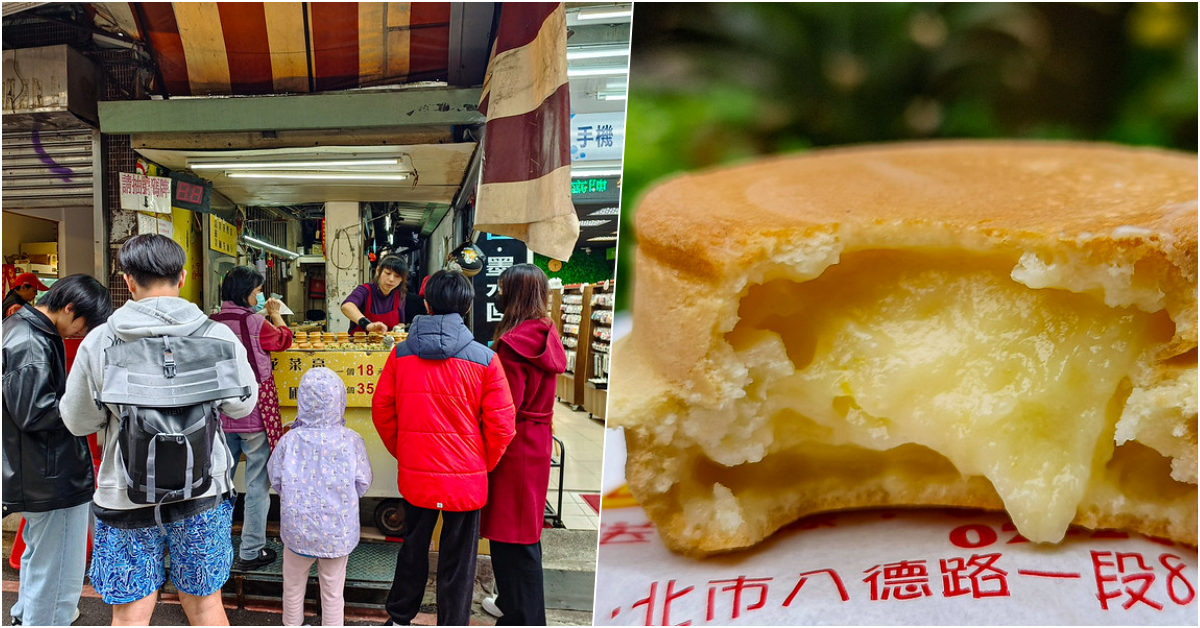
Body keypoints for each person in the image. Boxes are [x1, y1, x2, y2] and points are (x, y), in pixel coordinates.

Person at [61, 234, 258, 626]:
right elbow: (242, 404)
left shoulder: (100, 341)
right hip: (203, 490)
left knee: (131, 613)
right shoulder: (217, 336)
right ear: (182, 277)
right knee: (205, 605)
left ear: (128, 281)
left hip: (126, 496)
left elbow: (78, 420)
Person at [371, 269, 517, 626]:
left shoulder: (401, 354)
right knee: (458, 559)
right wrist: (481, 464)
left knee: (412, 548)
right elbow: (502, 426)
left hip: (417, 475)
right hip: (467, 479)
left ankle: (398, 618)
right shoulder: (485, 359)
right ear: (467, 307)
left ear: (425, 303)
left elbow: (382, 412)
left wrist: (407, 453)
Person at [3, 274, 112, 627]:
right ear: (69, 308)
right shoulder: (31, 342)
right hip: (49, 473)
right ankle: (45, 620)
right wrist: (93, 407)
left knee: (42, 557)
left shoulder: (22, 329)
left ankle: (27, 616)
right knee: (59, 566)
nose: (80, 333)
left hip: (36, 469)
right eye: (83, 323)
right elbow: (35, 411)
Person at [479, 264, 567, 625]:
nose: (496, 295)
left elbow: (506, 407)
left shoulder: (514, 345)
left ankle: (527, 617)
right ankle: (511, 606)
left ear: (514, 295)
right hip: (537, 441)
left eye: (501, 289)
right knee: (518, 531)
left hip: (514, 445)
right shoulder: (545, 332)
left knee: (515, 538)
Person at [268, 367, 372, 626]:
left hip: (297, 530)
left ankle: (292, 624)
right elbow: (363, 482)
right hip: (338, 532)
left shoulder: (289, 440)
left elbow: (276, 479)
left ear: (301, 400)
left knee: (292, 586)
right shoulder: (351, 440)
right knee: (334, 590)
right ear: (340, 401)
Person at [211, 265, 294, 571]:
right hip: (253, 412)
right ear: (246, 293)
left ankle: (214, 548)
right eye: (258, 291)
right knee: (258, 483)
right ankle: (250, 551)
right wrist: (275, 313)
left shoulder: (211, 323)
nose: (260, 296)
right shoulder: (256, 321)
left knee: (219, 481)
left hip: (220, 413)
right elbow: (284, 341)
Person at [340, 255, 423, 334]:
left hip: (386, 346)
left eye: (397, 276)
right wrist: (367, 324)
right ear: (378, 271)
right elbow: (347, 306)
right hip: (359, 345)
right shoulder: (365, 290)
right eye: (387, 273)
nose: (391, 279)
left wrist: (399, 329)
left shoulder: (399, 295)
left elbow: (401, 323)